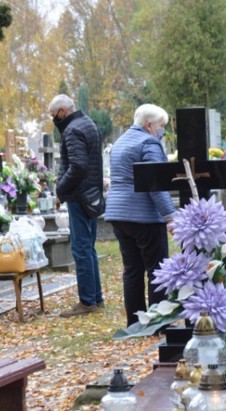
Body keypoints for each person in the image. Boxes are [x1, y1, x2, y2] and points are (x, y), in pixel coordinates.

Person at [105, 104, 176, 327]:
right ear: (149, 125)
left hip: (118, 214)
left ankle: (135, 322)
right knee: (157, 269)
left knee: (132, 270)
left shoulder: (120, 142)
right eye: (161, 126)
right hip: (143, 215)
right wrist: (170, 217)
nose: (162, 131)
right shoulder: (149, 142)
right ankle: (157, 321)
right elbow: (155, 184)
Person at [48, 94, 104, 317]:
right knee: (88, 248)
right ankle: (96, 296)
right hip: (91, 193)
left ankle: (87, 301)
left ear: (63, 111)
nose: (54, 120)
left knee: (81, 249)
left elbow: (78, 165)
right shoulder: (88, 122)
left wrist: (61, 188)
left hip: (79, 195)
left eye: (54, 115)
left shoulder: (71, 130)